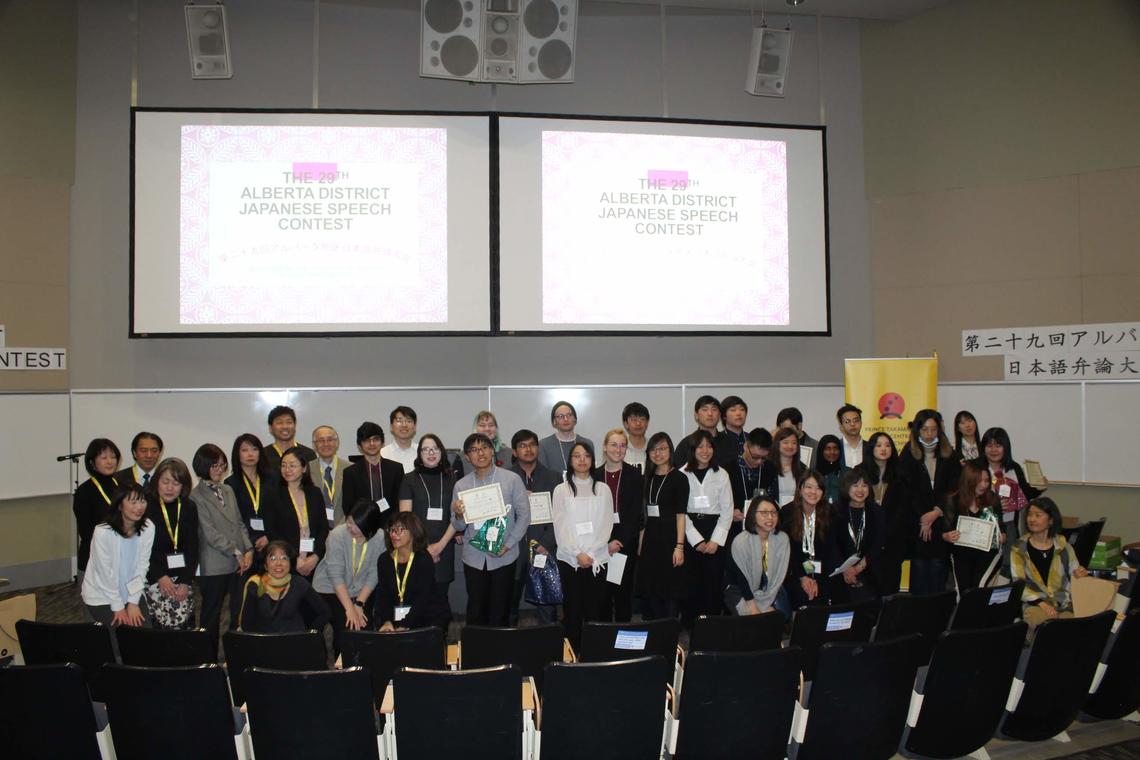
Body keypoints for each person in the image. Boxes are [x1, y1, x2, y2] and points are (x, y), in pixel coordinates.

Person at [451, 433, 532, 626]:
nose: (480, 453)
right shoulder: (461, 485)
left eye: (485, 448)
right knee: (476, 610)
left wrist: (509, 544)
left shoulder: (511, 479)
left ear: (492, 451)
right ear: (467, 457)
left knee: (501, 610)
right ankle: (477, 654)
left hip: (505, 555)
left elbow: (524, 516)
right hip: (474, 557)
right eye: (474, 450)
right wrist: (459, 514)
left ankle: (500, 654)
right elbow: (459, 526)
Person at [192, 444, 253, 658]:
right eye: (214, 465)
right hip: (214, 563)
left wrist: (248, 549)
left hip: (238, 562)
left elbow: (239, 523)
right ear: (202, 466)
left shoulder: (227, 489)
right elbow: (210, 534)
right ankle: (207, 658)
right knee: (211, 615)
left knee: (237, 612)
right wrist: (236, 551)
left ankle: (235, 656)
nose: (219, 469)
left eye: (222, 465)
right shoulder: (196, 496)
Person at [552, 442, 613, 649]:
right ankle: (574, 651)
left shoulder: (603, 489)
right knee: (573, 609)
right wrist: (578, 553)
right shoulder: (562, 490)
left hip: (598, 559)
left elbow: (606, 524)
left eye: (586, 455)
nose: (582, 460)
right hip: (571, 559)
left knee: (596, 609)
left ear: (592, 460)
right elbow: (561, 527)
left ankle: (595, 652)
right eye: (577, 456)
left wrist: (591, 553)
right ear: (570, 461)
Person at [897, 409, 960, 595]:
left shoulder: (950, 454)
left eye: (933, 429)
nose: (929, 434)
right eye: (925, 429)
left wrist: (937, 511)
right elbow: (905, 492)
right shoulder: (908, 453)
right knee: (919, 578)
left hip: (942, 523)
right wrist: (923, 519)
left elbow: (954, 488)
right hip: (917, 525)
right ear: (917, 430)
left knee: (938, 576)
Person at [508, 429, 563, 625]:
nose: (528, 449)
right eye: (522, 446)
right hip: (514, 549)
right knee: (509, 604)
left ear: (538, 448)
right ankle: (509, 649)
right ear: (514, 452)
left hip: (544, 547)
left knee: (547, 608)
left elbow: (561, 514)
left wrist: (547, 542)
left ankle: (549, 650)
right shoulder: (506, 478)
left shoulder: (554, 477)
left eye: (532, 444)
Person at [398, 434, 458, 611]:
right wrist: (423, 549)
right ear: (419, 453)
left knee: (440, 598)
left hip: (444, 546)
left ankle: (440, 636)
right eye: (425, 449)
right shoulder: (409, 479)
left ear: (441, 452)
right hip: (416, 548)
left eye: (435, 448)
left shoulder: (452, 479)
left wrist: (440, 545)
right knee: (417, 597)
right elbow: (405, 518)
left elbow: (457, 517)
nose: (431, 453)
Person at [81, 483, 154, 629]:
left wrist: (133, 602)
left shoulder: (148, 526)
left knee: (145, 636)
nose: (139, 507)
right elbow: (104, 574)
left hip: (132, 592)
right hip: (102, 596)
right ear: (120, 505)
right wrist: (118, 606)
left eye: (142, 501)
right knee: (121, 636)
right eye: (133, 502)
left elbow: (142, 566)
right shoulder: (103, 532)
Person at [314, 499, 383, 650]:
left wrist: (359, 603)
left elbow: (374, 572)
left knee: (365, 627)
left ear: (369, 526)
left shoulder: (379, 538)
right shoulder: (337, 535)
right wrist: (349, 608)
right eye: (349, 521)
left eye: (356, 524)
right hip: (330, 589)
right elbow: (335, 575)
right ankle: (341, 667)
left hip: (361, 590)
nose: (350, 527)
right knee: (346, 625)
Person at [681, 430, 733, 625]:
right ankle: (690, 624)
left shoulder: (722, 474)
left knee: (713, 581)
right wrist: (696, 540)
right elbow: (680, 511)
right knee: (691, 581)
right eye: (700, 446)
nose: (705, 450)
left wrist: (715, 541)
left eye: (709, 446)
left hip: (714, 529)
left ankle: (711, 625)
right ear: (692, 449)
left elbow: (727, 511)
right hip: (689, 530)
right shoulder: (681, 474)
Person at [1010, 497, 1087, 630]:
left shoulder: (1064, 547)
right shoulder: (1019, 549)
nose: (1032, 519)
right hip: (1035, 604)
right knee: (1039, 621)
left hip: (1064, 603)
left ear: (1051, 520)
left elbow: (1075, 575)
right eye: (1029, 515)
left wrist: (1080, 574)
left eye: (1038, 515)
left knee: (1071, 626)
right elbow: (1019, 584)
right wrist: (1042, 604)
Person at [781, 470, 853, 608]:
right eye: (809, 487)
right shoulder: (787, 513)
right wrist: (802, 576)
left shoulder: (831, 512)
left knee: (836, 593)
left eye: (818, 488)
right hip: (795, 570)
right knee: (801, 595)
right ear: (800, 489)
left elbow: (833, 548)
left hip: (824, 570)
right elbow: (787, 552)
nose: (813, 492)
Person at [637, 432, 688, 620]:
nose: (658, 453)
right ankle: (653, 632)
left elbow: (681, 515)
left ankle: (669, 637)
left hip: (670, 541)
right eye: (654, 449)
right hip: (651, 540)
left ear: (671, 450)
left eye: (663, 448)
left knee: (670, 591)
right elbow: (645, 514)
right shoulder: (647, 478)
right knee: (651, 590)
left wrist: (680, 546)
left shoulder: (679, 478)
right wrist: (641, 543)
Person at [143, 458, 199, 630]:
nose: (169, 488)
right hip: (153, 578)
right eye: (165, 481)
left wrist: (184, 581)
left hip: (182, 578)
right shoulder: (145, 506)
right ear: (156, 481)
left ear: (183, 486)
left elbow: (192, 547)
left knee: (184, 633)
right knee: (156, 632)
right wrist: (160, 576)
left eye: (176, 483)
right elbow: (143, 549)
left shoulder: (189, 507)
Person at [595, 428, 644, 623]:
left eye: (622, 445)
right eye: (614, 445)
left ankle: (623, 637)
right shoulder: (595, 474)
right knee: (602, 594)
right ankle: (605, 638)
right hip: (599, 543)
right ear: (605, 447)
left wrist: (618, 541)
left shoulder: (635, 475)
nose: (618, 449)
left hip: (625, 542)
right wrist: (605, 542)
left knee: (623, 593)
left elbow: (635, 514)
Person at [373, 512, 451, 631]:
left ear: (414, 532)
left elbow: (422, 599)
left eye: (400, 529)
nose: (394, 534)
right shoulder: (384, 560)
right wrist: (387, 621)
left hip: (426, 616)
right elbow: (383, 596)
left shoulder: (423, 559)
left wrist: (404, 625)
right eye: (392, 529)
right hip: (395, 617)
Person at [238, 540, 330, 634]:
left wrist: (311, 633)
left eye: (284, 558)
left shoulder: (299, 583)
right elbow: (246, 624)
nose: (279, 563)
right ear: (265, 565)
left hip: (294, 641)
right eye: (273, 558)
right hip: (264, 641)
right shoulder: (256, 584)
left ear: (290, 563)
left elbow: (325, 612)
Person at [977, 426, 1043, 549]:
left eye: (998, 446)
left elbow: (1025, 493)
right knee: (987, 564)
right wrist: (995, 505)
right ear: (983, 448)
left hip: (1009, 524)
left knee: (1008, 563)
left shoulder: (1014, 468)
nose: (993, 450)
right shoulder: (975, 468)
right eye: (989, 446)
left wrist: (1040, 486)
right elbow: (968, 495)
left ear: (1005, 448)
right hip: (982, 523)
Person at [267, 449, 328, 579]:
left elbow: (323, 528)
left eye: (292, 465)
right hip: (286, 561)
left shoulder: (315, 493)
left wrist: (316, 556)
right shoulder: (273, 495)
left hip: (314, 560)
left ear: (304, 468)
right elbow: (272, 532)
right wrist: (294, 559)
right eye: (283, 465)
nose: (287, 469)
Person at [943, 461, 1003, 593]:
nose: (983, 485)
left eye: (987, 481)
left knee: (980, 589)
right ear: (968, 480)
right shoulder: (953, 500)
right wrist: (947, 536)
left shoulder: (992, 500)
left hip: (987, 554)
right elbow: (944, 530)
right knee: (964, 590)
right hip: (961, 554)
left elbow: (1001, 529)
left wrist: (1001, 536)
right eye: (979, 481)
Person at [726, 496, 790, 618]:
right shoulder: (741, 542)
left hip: (766, 592)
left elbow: (780, 575)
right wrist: (753, 607)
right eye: (764, 513)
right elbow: (741, 580)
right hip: (739, 591)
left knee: (772, 618)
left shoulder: (782, 539)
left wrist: (766, 601)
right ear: (753, 515)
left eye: (773, 513)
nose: (770, 517)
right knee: (757, 619)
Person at [860, 432, 907, 595]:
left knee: (890, 590)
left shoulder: (900, 475)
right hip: (866, 540)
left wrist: (887, 532)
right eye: (879, 445)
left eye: (887, 445)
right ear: (871, 448)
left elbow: (903, 510)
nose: (883, 449)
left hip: (891, 543)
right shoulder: (860, 472)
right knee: (868, 591)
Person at [341, 421, 404, 530]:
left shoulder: (396, 469)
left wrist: (393, 524)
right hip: (362, 528)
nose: (372, 444)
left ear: (382, 442)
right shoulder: (350, 473)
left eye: (376, 439)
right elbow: (348, 506)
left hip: (391, 528)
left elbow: (399, 501)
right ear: (360, 446)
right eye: (366, 440)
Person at [833, 468, 885, 600]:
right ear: (846, 487)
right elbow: (831, 544)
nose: (860, 490)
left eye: (864, 485)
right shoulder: (835, 510)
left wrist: (858, 568)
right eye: (855, 485)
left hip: (868, 569)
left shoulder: (876, 511)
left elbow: (878, 543)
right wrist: (845, 569)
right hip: (840, 571)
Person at [73, 438, 122, 577]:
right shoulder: (84, 491)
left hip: (121, 554)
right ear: (92, 462)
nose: (110, 461)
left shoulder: (123, 486)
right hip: (95, 557)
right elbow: (86, 531)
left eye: (113, 457)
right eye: (104, 457)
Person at [226, 433, 273, 570]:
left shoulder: (272, 478)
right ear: (237, 454)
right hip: (245, 545)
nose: (250, 454)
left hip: (271, 541)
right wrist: (250, 543)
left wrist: (268, 536)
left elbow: (279, 511)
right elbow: (234, 519)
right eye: (244, 450)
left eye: (254, 449)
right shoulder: (230, 483)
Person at [724, 427, 775, 542]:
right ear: (746, 446)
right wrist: (730, 513)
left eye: (763, 458)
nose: (759, 462)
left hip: (763, 533)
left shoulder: (770, 469)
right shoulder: (727, 470)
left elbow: (774, 500)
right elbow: (718, 504)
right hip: (734, 534)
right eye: (755, 457)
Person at [538, 401, 594, 479]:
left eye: (569, 415)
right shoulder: (544, 445)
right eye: (561, 416)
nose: (566, 419)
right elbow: (543, 476)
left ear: (575, 419)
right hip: (554, 490)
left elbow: (591, 473)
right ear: (554, 421)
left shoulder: (587, 443)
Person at [309, 425, 349, 526]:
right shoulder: (306, 470)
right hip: (315, 529)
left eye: (330, 439)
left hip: (345, 530)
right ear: (314, 445)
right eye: (321, 440)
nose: (326, 444)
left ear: (337, 443)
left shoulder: (351, 469)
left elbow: (354, 504)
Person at [673, 395, 730, 467]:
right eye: (705, 409)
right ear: (696, 415)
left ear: (719, 416)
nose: (710, 413)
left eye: (714, 409)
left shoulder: (729, 442)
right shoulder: (686, 444)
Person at [262, 405, 316, 471]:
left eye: (289, 422)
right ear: (270, 428)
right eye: (279, 423)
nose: (285, 426)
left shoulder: (309, 454)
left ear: (295, 425)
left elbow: (315, 480)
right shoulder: (262, 455)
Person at [762, 427, 805, 507]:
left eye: (794, 443)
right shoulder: (766, 467)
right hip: (773, 513)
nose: (790, 446)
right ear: (777, 444)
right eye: (786, 442)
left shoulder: (803, 469)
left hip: (795, 513)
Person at [381, 406, 419, 474]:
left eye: (409, 421)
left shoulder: (422, 452)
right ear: (391, 427)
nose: (404, 425)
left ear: (415, 427)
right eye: (399, 421)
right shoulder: (382, 454)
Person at [717, 395, 750, 467]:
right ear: (724, 416)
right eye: (733, 410)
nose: (738, 413)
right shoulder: (717, 440)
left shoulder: (752, 439)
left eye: (742, 409)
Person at [816, 434, 848, 505]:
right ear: (821, 451)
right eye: (828, 449)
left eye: (835, 448)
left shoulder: (848, 473)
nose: (832, 452)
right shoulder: (813, 474)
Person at [836, 404, 870, 469]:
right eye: (847, 421)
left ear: (861, 423)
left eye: (856, 420)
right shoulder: (836, 448)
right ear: (841, 426)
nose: (852, 424)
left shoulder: (870, 448)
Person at [621, 402, 651, 473]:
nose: (638, 423)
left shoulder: (653, 447)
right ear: (626, 424)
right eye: (633, 419)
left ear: (647, 423)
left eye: (642, 419)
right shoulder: (619, 449)